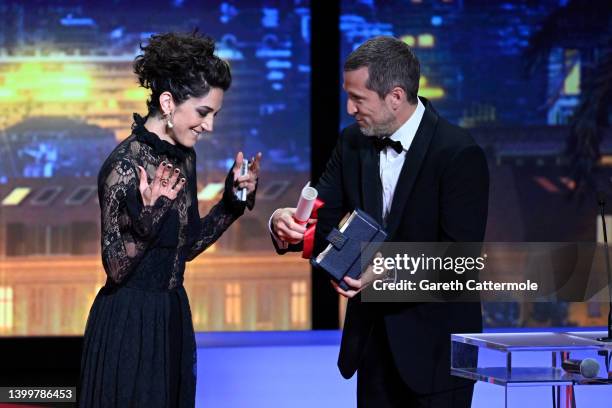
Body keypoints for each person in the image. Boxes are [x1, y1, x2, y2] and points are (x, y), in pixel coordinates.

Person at [270, 36, 488, 407]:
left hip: (438, 350)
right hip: (372, 346)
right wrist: (283, 223)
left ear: (396, 96)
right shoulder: (351, 143)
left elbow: (459, 262)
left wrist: (386, 273)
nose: (350, 108)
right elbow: (319, 224)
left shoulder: (458, 153)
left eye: (358, 99)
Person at [79, 32, 261, 408]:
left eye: (214, 115)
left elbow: (187, 245)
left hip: (171, 317)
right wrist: (150, 215)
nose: (208, 126)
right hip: (128, 324)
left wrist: (232, 201)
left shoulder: (183, 158)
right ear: (168, 103)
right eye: (203, 113)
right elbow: (115, 267)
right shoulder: (123, 167)